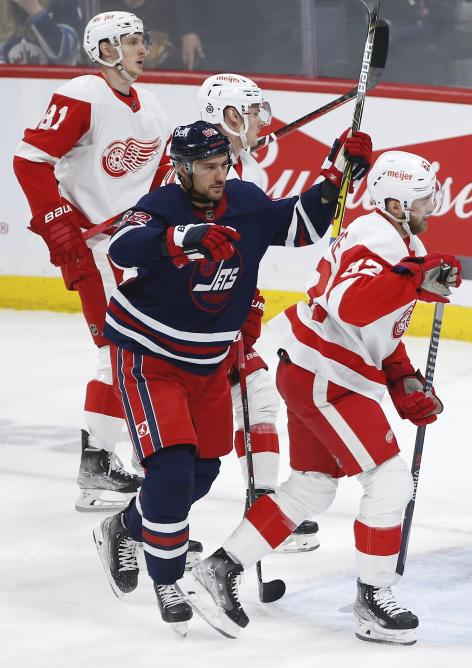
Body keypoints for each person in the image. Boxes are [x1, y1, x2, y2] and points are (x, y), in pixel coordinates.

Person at [90, 120, 373, 630]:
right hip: (149, 357)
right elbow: (123, 246)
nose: (218, 176)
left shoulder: (244, 201)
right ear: (181, 169)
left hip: (211, 364)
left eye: (223, 165)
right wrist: (184, 237)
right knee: (172, 469)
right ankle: (168, 578)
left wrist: (337, 175)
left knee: (200, 474)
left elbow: (299, 225)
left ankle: (124, 527)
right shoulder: (160, 207)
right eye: (206, 167)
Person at [187, 151, 462, 646]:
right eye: (422, 196)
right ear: (395, 201)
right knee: (389, 479)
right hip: (325, 376)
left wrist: (403, 380)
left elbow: (381, 329)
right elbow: (352, 306)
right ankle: (373, 598)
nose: (432, 203)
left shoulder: (400, 238)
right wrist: (412, 280)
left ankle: (218, 569)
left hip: (320, 371)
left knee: (313, 485)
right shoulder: (375, 237)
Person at [12, 11, 170, 512]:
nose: (142, 48)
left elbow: (160, 174)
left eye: (142, 39)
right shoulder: (82, 93)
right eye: (129, 41)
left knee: (136, 350)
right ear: (103, 49)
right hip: (92, 245)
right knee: (116, 351)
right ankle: (98, 460)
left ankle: (100, 468)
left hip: (128, 248)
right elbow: (30, 160)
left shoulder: (154, 111)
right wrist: (58, 222)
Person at [195, 72, 319, 552]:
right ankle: (150, 524)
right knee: (184, 427)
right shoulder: (205, 175)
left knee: (258, 399)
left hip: (212, 316)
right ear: (229, 116)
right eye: (251, 112)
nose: (261, 123)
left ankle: (262, 509)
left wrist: (337, 174)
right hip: (186, 324)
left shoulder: (227, 169)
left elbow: (282, 231)